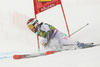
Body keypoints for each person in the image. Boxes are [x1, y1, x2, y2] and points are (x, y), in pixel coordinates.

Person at [27, 18, 93, 50]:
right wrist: (47, 45)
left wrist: (48, 42)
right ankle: (54, 48)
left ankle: (79, 44)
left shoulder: (43, 26)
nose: (30, 29)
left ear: (35, 24)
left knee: (65, 43)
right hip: (54, 40)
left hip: (60, 36)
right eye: (29, 27)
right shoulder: (38, 31)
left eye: (30, 26)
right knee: (42, 42)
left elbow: (49, 32)